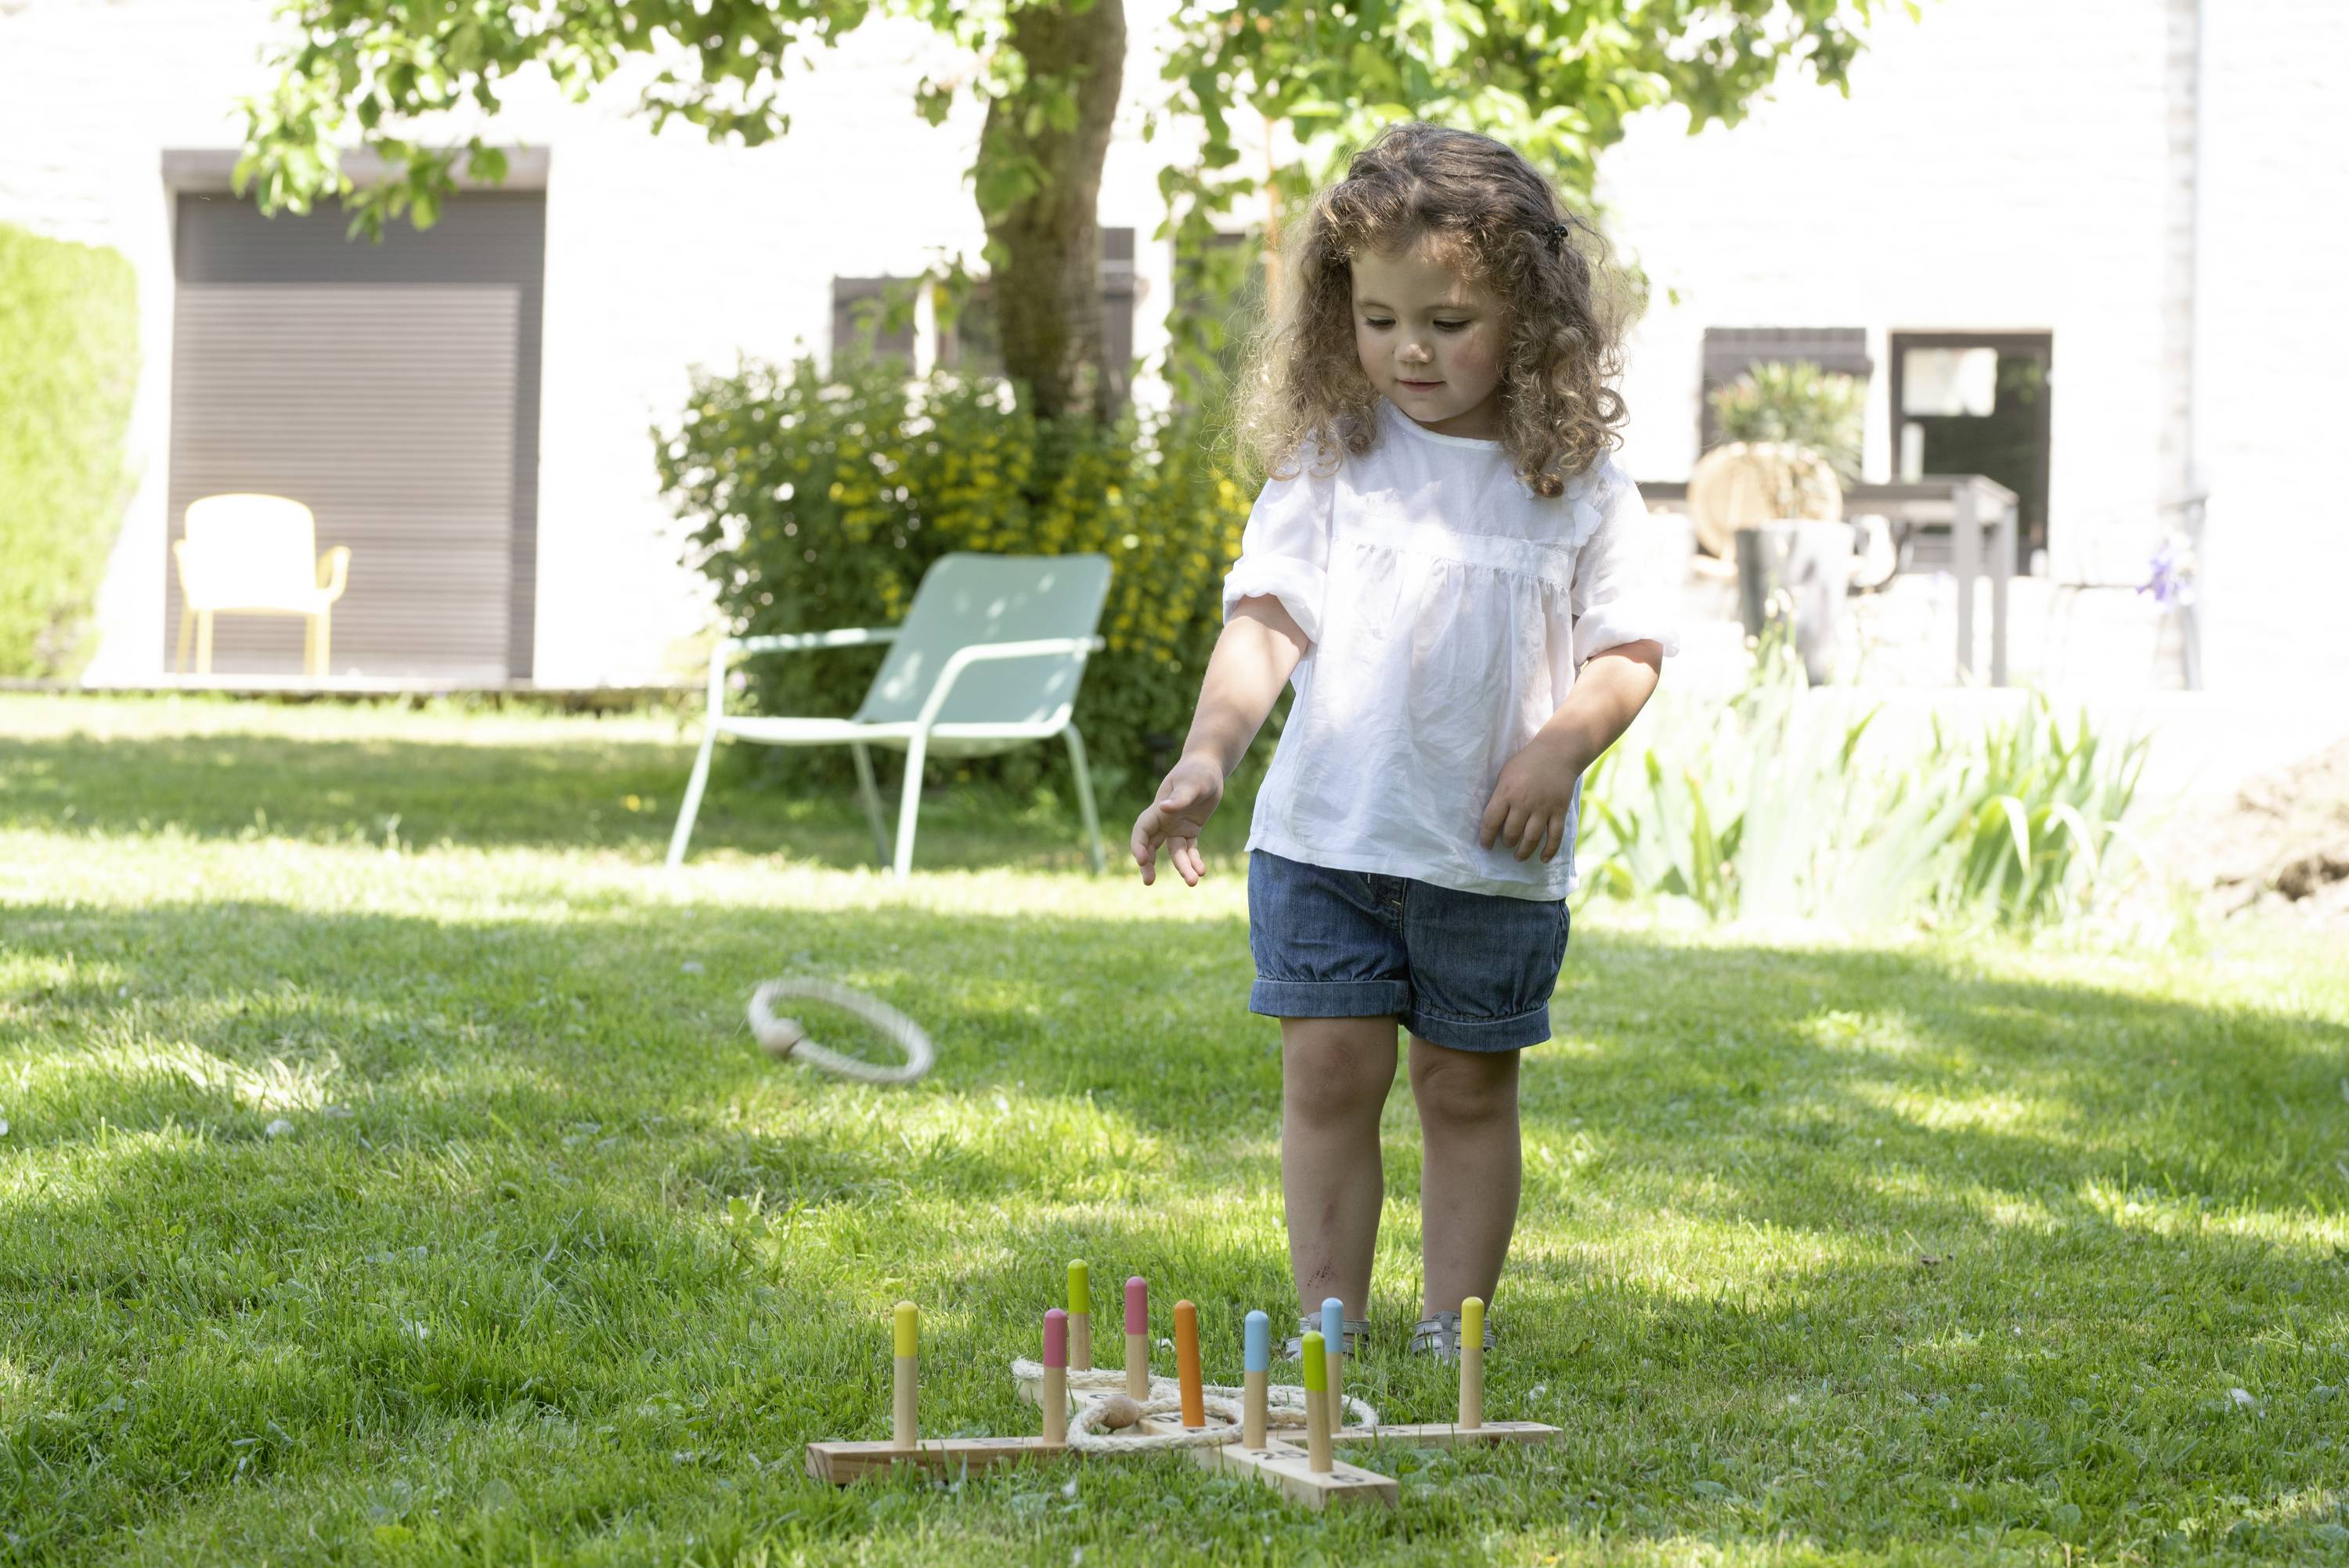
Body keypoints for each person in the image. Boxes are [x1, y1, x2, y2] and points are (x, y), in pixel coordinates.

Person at [1128, 121, 1678, 1362]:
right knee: (1328, 1077)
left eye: (1447, 320)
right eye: (1379, 320)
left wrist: (1557, 753)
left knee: (1466, 1088)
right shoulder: (1336, 458)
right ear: (1342, 316)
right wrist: (1208, 756)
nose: (1410, 351)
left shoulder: (1580, 481)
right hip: (1327, 839)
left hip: (1486, 860)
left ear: (1531, 317)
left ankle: (1452, 1328)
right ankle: (1332, 1321)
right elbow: (1266, 620)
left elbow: (1629, 651)